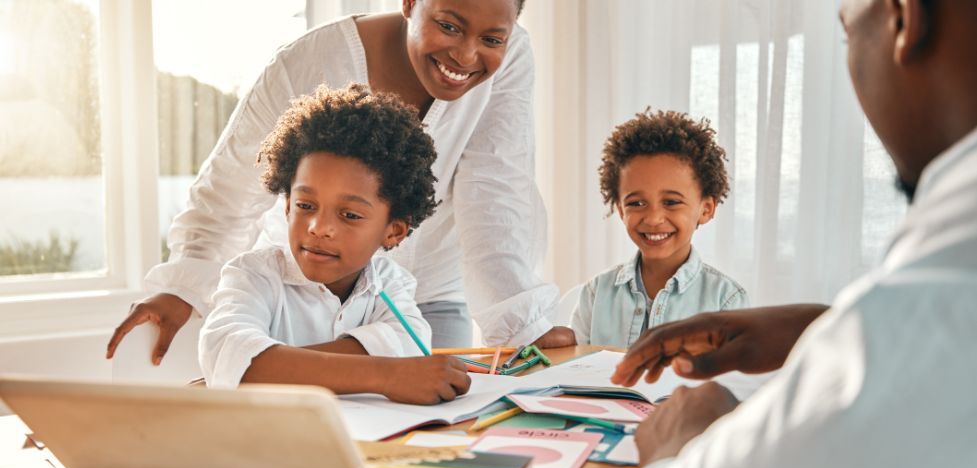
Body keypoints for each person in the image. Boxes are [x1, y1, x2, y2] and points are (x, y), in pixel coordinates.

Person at [603, 0, 977, 468]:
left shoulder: (924, 301)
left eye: (847, 31)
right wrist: (823, 326)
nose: (653, 218)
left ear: (903, 20)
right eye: (636, 203)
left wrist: (682, 443)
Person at [107, 0, 574, 364]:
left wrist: (520, 321)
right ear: (411, 3)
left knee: (429, 436)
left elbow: (496, 189)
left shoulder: (509, 58)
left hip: (430, 291)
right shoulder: (309, 63)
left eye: (491, 38)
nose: (466, 54)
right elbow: (230, 188)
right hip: (308, 284)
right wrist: (184, 282)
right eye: (449, 25)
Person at [199, 84, 471, 405]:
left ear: (393, 231)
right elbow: (230, 355)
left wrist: (262, 367)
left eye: (349, 214)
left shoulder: (390, 285)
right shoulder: (253, 276)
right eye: (305, 205)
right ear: (287, 206)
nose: (319, 228)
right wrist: (385, 375)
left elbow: (408, 346)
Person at [569, 110, 747, 348]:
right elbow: (575, 369)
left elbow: (729, 380)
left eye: (671, 202)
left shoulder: (726, 300)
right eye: (636, 203)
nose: (653, 219)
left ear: (705, 209)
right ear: (621, 210)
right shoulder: (596, 293)